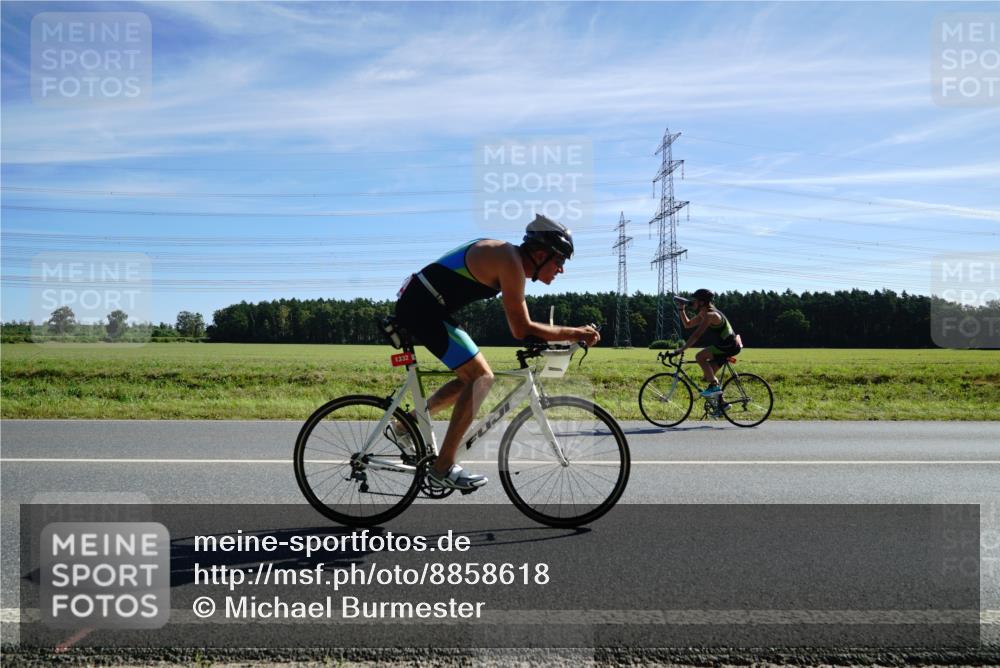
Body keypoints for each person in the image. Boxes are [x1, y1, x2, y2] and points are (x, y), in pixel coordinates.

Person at [393, 214, 601, 492]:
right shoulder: (510, 262)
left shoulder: (507, 256)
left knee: (471, 378)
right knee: (482, 378)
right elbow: (521, 328)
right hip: (423, 308)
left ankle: (407, 425)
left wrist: (552, 339)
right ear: (540, 254)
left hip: (425, 304)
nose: (561, 270)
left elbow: (522, 327)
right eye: (560, 261)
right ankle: (442, 467)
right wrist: (575, 332)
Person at [672, 288, 742, 397]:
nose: (692, 302)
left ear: (702, 302)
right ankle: (722, 405)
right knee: (708, 377)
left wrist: (682, 349)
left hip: (729, 345)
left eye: (694, 300)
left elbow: (696, 335)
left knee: (700, 356)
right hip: (726, 345)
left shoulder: (711, 315)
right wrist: (682, 309)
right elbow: (688, 324)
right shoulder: (704, 313)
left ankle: (714, 387)